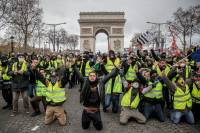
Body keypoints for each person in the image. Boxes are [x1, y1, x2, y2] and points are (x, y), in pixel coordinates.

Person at [74, 61, 118, 130]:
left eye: (94, 76)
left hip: (96, 111)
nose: (92, 77)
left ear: (96, 76)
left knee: (99, 128)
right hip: (86, 110)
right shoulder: (85, 81)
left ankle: (94, 120)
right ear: (88, 77)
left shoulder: (101, 82)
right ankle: (88, 120)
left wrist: (116, 69)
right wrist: (74, 65)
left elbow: (109, 75)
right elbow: (79, 74)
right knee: (85, 127)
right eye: (90, 76)